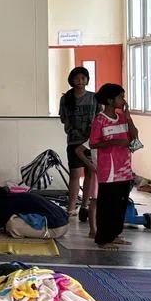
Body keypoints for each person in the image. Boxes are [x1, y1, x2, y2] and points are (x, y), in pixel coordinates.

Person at [90, 83, 137, 249]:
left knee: (120, 204)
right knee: (107, 205)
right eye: (120, 97)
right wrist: (115, 141)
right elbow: (93, 143)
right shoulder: (100, 120)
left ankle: (114, 234)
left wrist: (128, 116)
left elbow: (134, 135)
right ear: (110, 100)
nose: (123, 100)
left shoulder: (122, 117)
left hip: (124, 168)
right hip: (108, 171)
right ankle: (103, 238)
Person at [58, 66, 99, 220]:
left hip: (91, 142)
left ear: (87, 80)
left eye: (83, 78)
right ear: (72, 81)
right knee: (75, 174)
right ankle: (71, 207)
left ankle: (85, 206)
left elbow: (99, 116)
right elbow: (63, 119)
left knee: (90, 173)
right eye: (77, 78)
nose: (80, 81)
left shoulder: (94, 97)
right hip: (74, 141)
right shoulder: (66, 98)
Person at [0, 188, 70, 239]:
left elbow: (1, 224)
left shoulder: (2, 203)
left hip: (57, 228)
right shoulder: (13, 197)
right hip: (65, 225)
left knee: (11, 226)